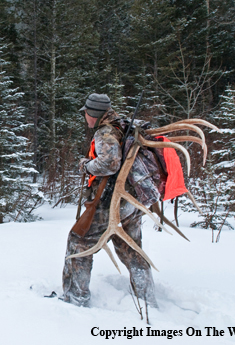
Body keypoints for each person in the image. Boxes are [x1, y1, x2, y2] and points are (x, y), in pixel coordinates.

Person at [61, 93, 158, 308]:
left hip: (112, 199)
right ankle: (146, 299)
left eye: (86, 112)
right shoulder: (123, 125)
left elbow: (110, 164)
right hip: (134, 197)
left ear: (93, 114)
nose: (84, 116)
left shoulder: (105, 132)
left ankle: (75, 298)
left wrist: (87, 165)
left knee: (79, 242)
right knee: (130, 247)